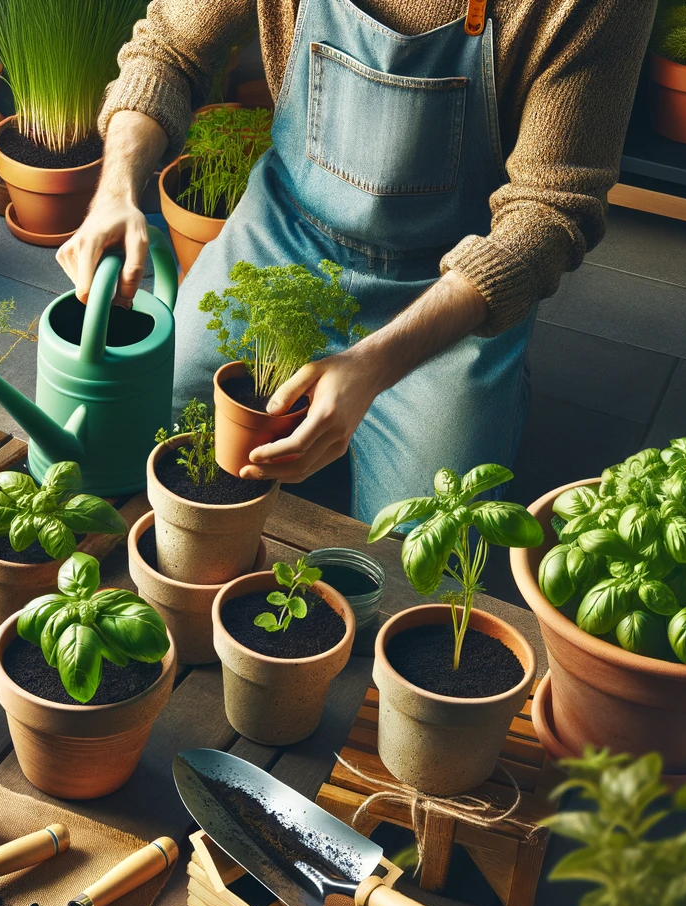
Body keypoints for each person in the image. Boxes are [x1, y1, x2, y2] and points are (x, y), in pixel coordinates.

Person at [59, 0, 653, 521]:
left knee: (419, 544)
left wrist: (372, 365)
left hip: (448, 288)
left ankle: (498, 392)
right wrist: (116, 192)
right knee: (150, 426)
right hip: (283, 243)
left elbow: (551, 211)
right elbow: (169, 48)